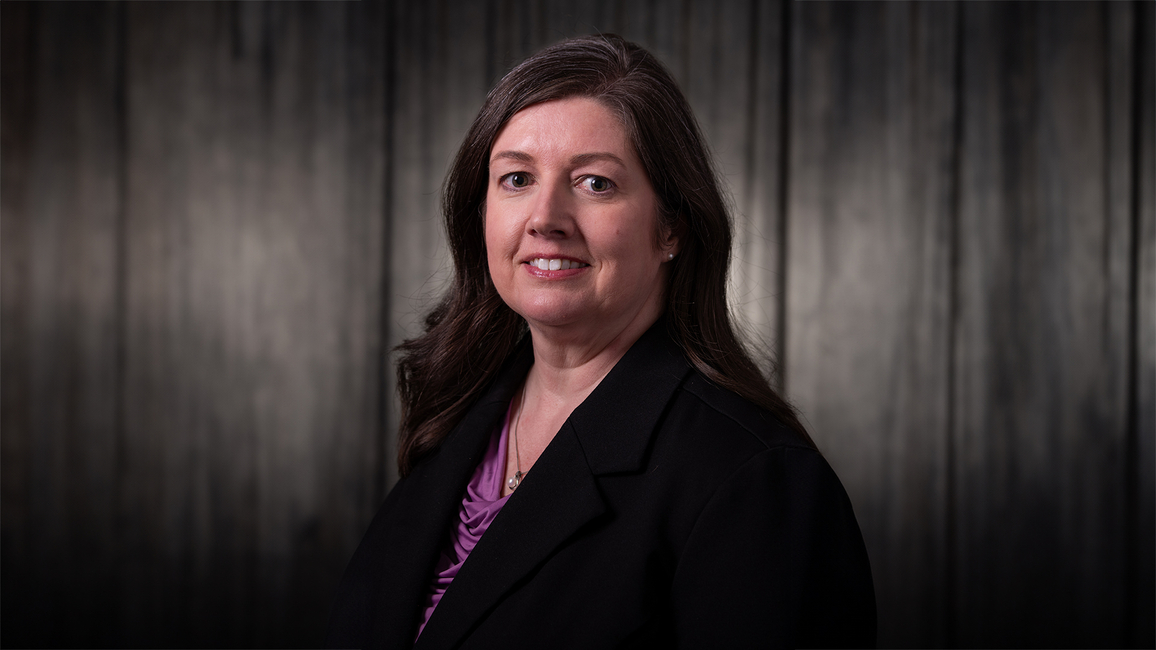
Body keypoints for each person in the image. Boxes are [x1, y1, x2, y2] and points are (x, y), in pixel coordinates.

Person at [326, 34, 875, 649]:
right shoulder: (455, 417)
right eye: (516, 178)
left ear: (671, 227)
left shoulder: (758, 483)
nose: (545, 217)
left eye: (594, 184)